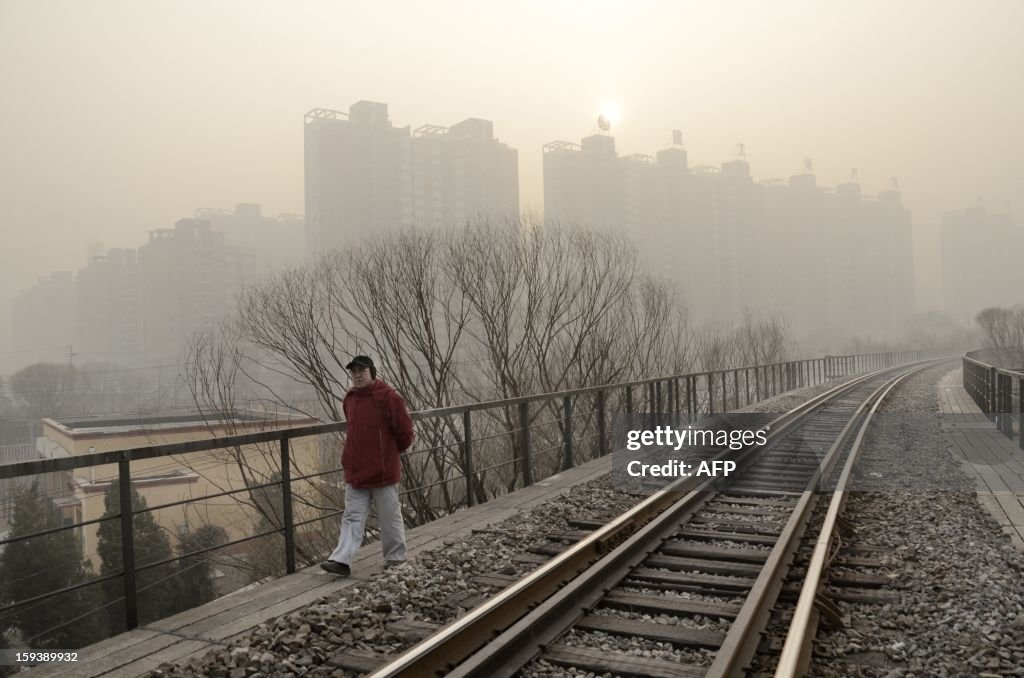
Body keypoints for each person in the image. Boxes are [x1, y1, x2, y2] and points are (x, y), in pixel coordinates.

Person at [320, 355, 415, 576]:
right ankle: (341, 561)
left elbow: (405, 433)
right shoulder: (350, 399)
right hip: (356, 471)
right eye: (353, 372)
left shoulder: (389, 397)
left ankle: (395, 558)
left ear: (372, 372)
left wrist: (388, 455)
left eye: (361, 371)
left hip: (383, 472)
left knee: (389, 517)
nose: (357, 375)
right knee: (352, 517)